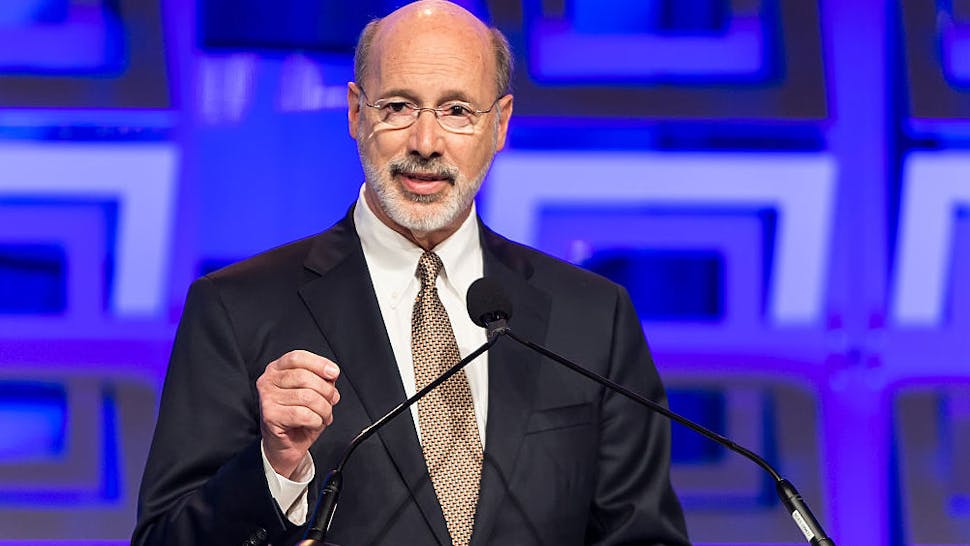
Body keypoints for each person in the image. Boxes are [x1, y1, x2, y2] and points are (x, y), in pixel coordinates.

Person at [133, 1, 690, 545]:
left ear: (500, 124)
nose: (426, 144)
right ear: (355, 113)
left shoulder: (593, 317)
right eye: (398, 107)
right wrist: (273, 469)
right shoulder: (236, 309)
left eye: (457, 111)